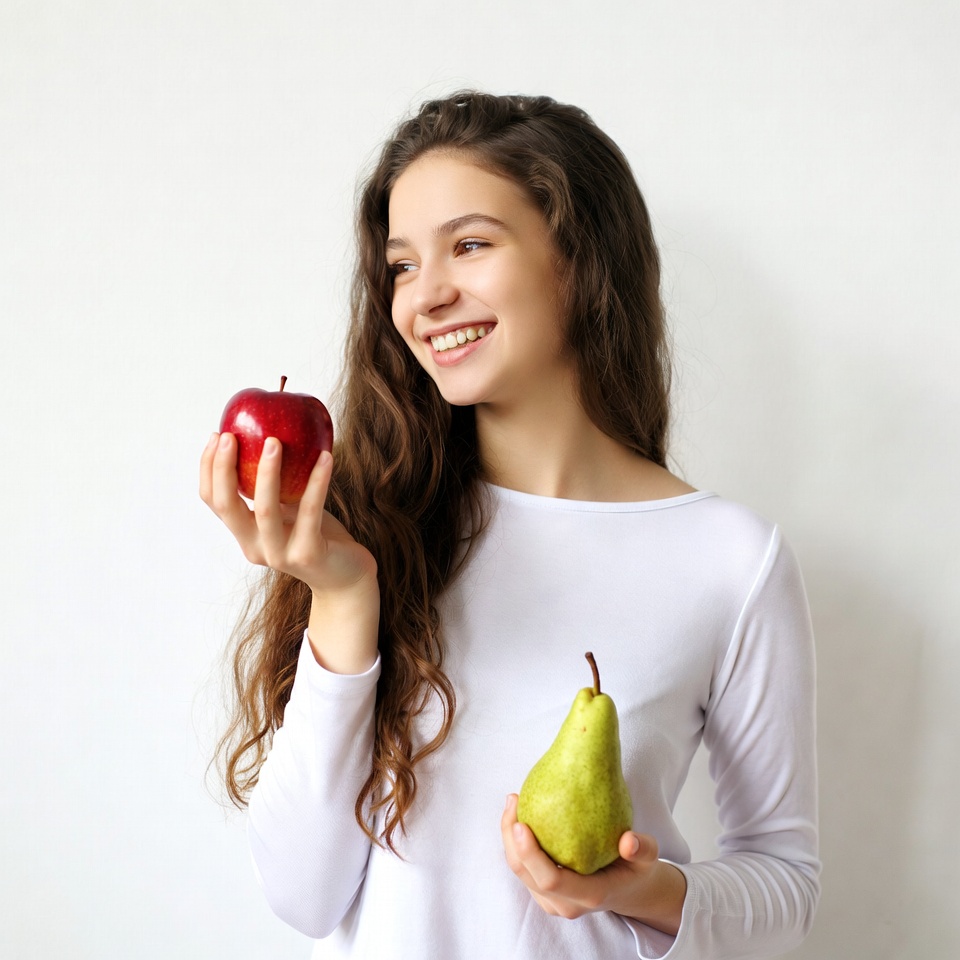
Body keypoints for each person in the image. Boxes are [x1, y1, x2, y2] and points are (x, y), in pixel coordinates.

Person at [199, 91, 819, 959]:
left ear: (580, 258)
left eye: (470, 245)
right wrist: (343, 597)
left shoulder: (731, 560)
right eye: (403, 265)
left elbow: (785, 881)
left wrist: (645, 891)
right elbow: (303, 894)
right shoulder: (366, 533)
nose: (427, 296)